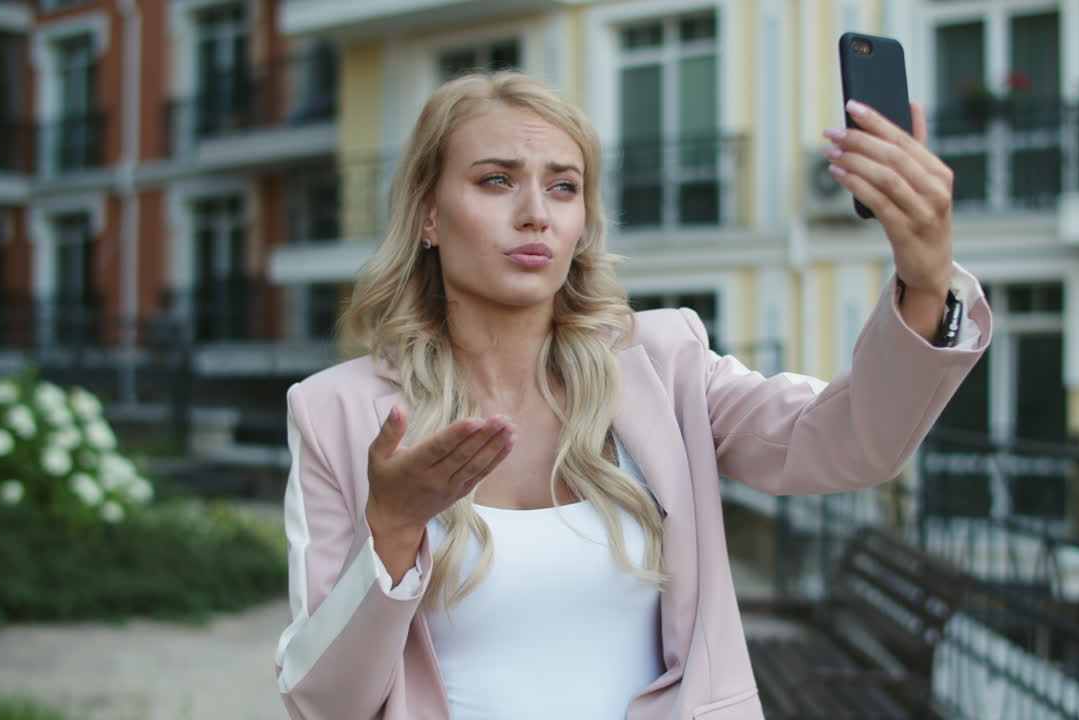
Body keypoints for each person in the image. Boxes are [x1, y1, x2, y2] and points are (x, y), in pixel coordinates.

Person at [273, 71, 990, 720]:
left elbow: (853, 443)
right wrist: (393, 532)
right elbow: (321, 703)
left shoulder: (666, 364)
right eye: (496, 180)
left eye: (563, 186)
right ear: (429, 215)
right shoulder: (336, 412)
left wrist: (927, 283)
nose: (536, 213)